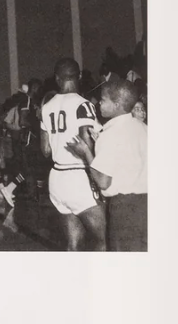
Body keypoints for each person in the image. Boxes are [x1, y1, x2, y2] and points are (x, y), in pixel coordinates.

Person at [66, 78, 148, 251]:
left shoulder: (110, 134)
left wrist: (86, 153)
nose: (99, 104)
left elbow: (103, 181)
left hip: (125, 209)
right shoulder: (143, 128)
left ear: (117, 104)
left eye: (103, 100)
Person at [40, 57, 104, 251]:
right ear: (80, 76)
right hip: (79, 177)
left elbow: (45, 150)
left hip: (57, 179)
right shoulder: (83, 104)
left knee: (73, 244)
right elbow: (86, 143)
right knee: (105, 240)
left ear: (57, 78)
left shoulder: (46, 107)